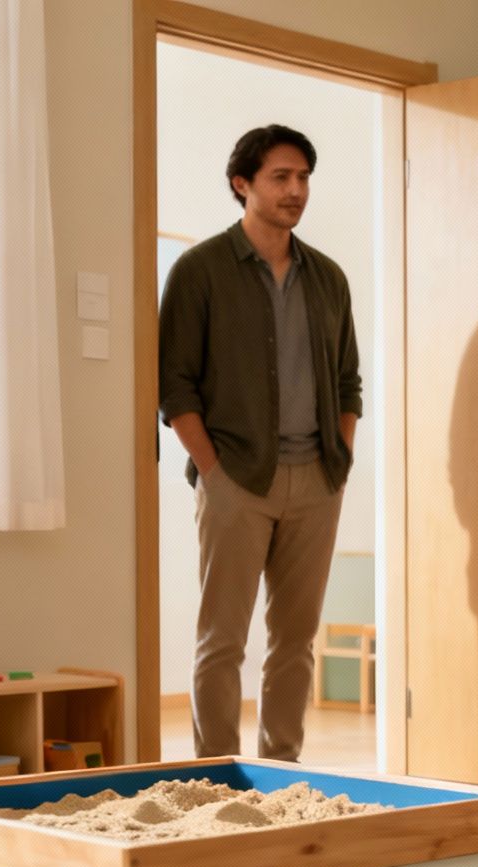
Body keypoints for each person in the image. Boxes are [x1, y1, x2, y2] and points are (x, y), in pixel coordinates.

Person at [159, 124, 362, 762]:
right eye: (281, 177)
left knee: (295, 640)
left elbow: (348, 380)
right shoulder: (200, 271)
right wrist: (212, 471)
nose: (295, 190)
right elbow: (174, 384)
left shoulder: (328, 277)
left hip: (317, 481)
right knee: (222, 641)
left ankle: (282, 769)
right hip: (235, 481)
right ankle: (216, 775)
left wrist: (341, 458)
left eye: (303, 178)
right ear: (242, 184)